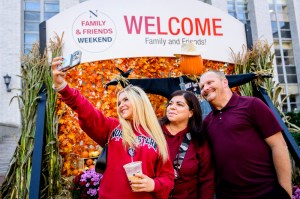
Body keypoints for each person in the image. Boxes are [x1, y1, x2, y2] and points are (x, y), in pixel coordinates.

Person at [51, 57, 175, 199]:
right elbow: (87, 111)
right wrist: (63, 87)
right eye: (119, 102)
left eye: (126, 100)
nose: (121, 105)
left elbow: (168, 178)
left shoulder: (157, 136)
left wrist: (153, 184)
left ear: (140, 102)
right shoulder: (112, 127)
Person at [199, 70, 292, 199]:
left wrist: (286, 193)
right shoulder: (207, 122)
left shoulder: (252, 105)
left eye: (210, 82)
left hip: (266, 192)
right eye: (202, 87)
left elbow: (279, 146)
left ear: (225, 82)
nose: (205, 88)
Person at [160, 90, 215, 199]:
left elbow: (207, 179)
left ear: (191, 112)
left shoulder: (198, 139)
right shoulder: (153, 132)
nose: (172, 107)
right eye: (170, 104)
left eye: (179, 104)